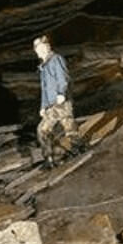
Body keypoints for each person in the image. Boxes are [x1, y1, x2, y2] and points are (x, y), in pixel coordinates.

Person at [32, 35, 81, 165]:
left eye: (43, 47)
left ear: (48, 47)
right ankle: (49, 158)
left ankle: (78, 149)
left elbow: (62, 77)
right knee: (42, 129)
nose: (40, 50)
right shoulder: (43, 67)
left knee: (68, 125)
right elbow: (44, 89)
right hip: (51, 105)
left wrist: (61, 93)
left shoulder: (56, 59)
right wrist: (43, 107)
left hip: (61, 101)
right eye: (38, 49)